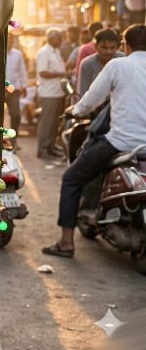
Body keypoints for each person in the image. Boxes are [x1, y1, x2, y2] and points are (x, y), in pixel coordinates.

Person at [42, 24, 146, 258]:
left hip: (120, 143)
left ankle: (66, 242)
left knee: (71, 178)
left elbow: (90, 100)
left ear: (125, 45)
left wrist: (74, 111)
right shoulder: (105, 63)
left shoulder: (118, 65)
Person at [0, 33, 27, 146]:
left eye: (10, 40)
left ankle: (14, 140)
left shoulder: (18, 54)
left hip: (14, 89)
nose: (8, 42)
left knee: (16, 115)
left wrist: (24, 85)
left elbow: (22, 70)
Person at [36, 29, 67, 159]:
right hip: (48, 93)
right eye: (59, 38)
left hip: (57, 92)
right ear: (51, 39)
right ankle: (42, 150)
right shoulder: (44, 52)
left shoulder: (56, 51)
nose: (61, 41)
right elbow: (42, 72)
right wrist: (62, 74)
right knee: (47, 123)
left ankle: (51, 147)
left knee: (54, 123)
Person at [77, 28, 124, 98]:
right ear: (95, 46)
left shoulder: (123, 60)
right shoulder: (87, 64)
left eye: (112, 48)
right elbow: (83, 92)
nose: (109, 51)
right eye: (104, 48)